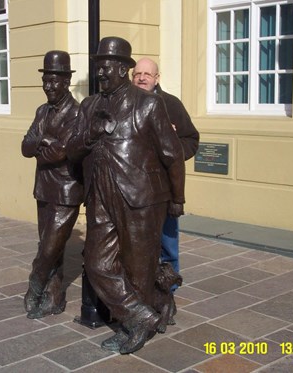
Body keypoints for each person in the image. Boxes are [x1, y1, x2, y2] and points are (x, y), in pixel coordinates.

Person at [66, 37, 186, 354]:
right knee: (97, 263)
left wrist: (178, 198)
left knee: (138, 268)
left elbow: (172, 154)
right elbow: (73, 150)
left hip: (142, 198)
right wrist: (91, 133)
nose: (101, 73)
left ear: (123, 69)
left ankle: (136, 323)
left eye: (107, 66)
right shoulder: (89, 106)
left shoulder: (148, 104)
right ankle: (143, 314)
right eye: (98, 67)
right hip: (101, 195)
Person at [21, 50, 83, 320]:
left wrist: (43, 143)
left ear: (66, 81)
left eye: (54, 81)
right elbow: (26, 146)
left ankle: (35, 286)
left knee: (49, 247)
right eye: (45, 81)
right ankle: (54, 297)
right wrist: (45, 142)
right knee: (50, 245)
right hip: (44, 187)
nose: (48, 86)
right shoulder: (41, 110)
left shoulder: (77, 113)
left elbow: (60, 152)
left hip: (67, 190)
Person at [132, 57, 200, 283]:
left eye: (147, 74)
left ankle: (167, 294)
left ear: (157, 78)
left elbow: (191, 140)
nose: (141, 78)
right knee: (136, 245)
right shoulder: (124, 104)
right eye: (137, 74)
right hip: (133, 190)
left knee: (167, 246)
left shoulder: (170, 104)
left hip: (164, 190)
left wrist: (169, 145)